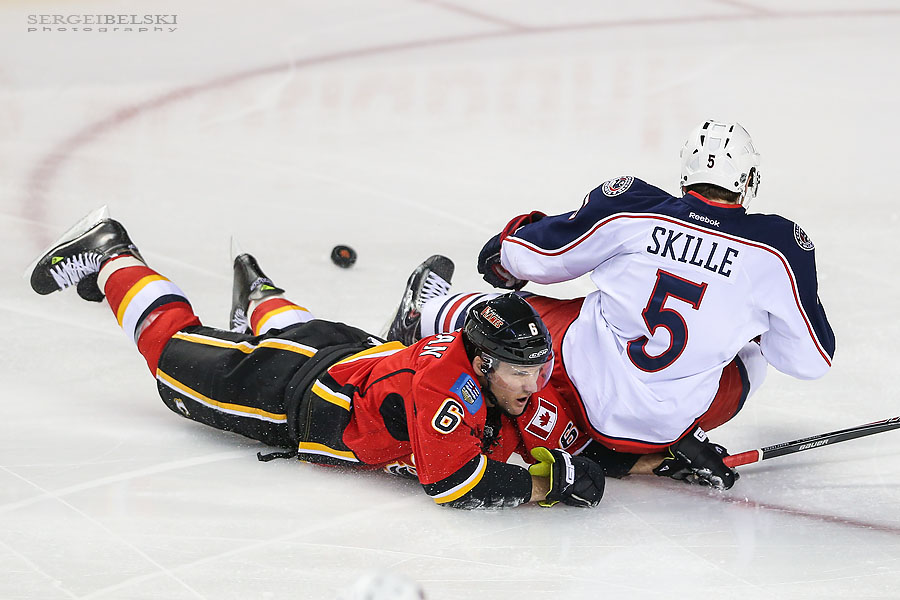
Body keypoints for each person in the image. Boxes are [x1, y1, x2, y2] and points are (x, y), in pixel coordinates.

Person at [28, 208, 605, 510]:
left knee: (298, 329)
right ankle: (110, 256)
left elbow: (562, 433)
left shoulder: (504, 376)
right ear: (481, 366)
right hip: (289, 390)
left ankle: (255, 296)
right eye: (520, 371)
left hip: (352, 354)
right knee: (171, 355)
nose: (534, 384)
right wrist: (543, 488)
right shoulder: (447, 389)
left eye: (537, 368)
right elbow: (453, 483)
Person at [386, 120, 836, 490]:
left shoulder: (636, 209)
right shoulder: (778, 250)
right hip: (678, 425)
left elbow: (535, 259)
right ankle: (669, 438)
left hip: (578, 395)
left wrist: (507, 248)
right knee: (754, 346)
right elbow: (809, 361)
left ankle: (425, 313)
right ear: (748, 181)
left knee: (520, 316)